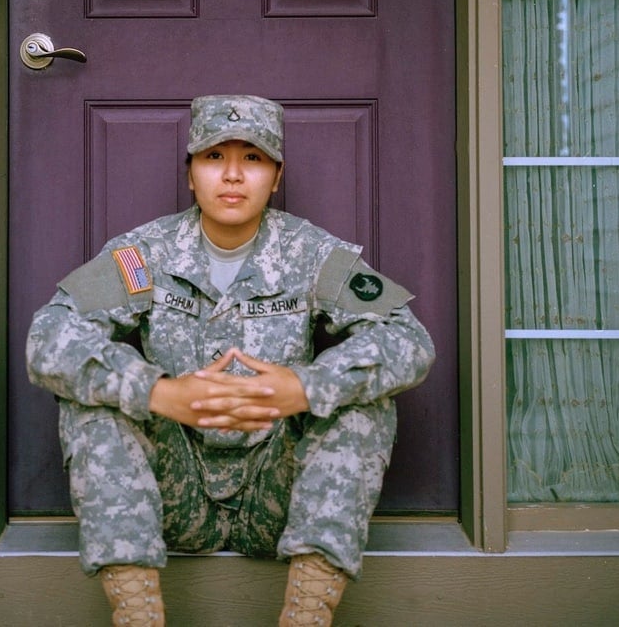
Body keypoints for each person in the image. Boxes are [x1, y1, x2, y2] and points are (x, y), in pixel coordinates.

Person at [27, 95, 435, 626]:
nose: (234, 175)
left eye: (254, 159)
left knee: (363, 407)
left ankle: (306, 616)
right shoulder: (145, 253)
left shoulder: (313, 254)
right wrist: (160, 393)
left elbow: (409, 339)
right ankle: (137, 617)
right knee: (92, 406)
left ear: (277, 174)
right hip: (173, 492)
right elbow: (49, 336)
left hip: (281, 494)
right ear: (190, 174)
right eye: (215, 158)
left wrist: (305, 387)